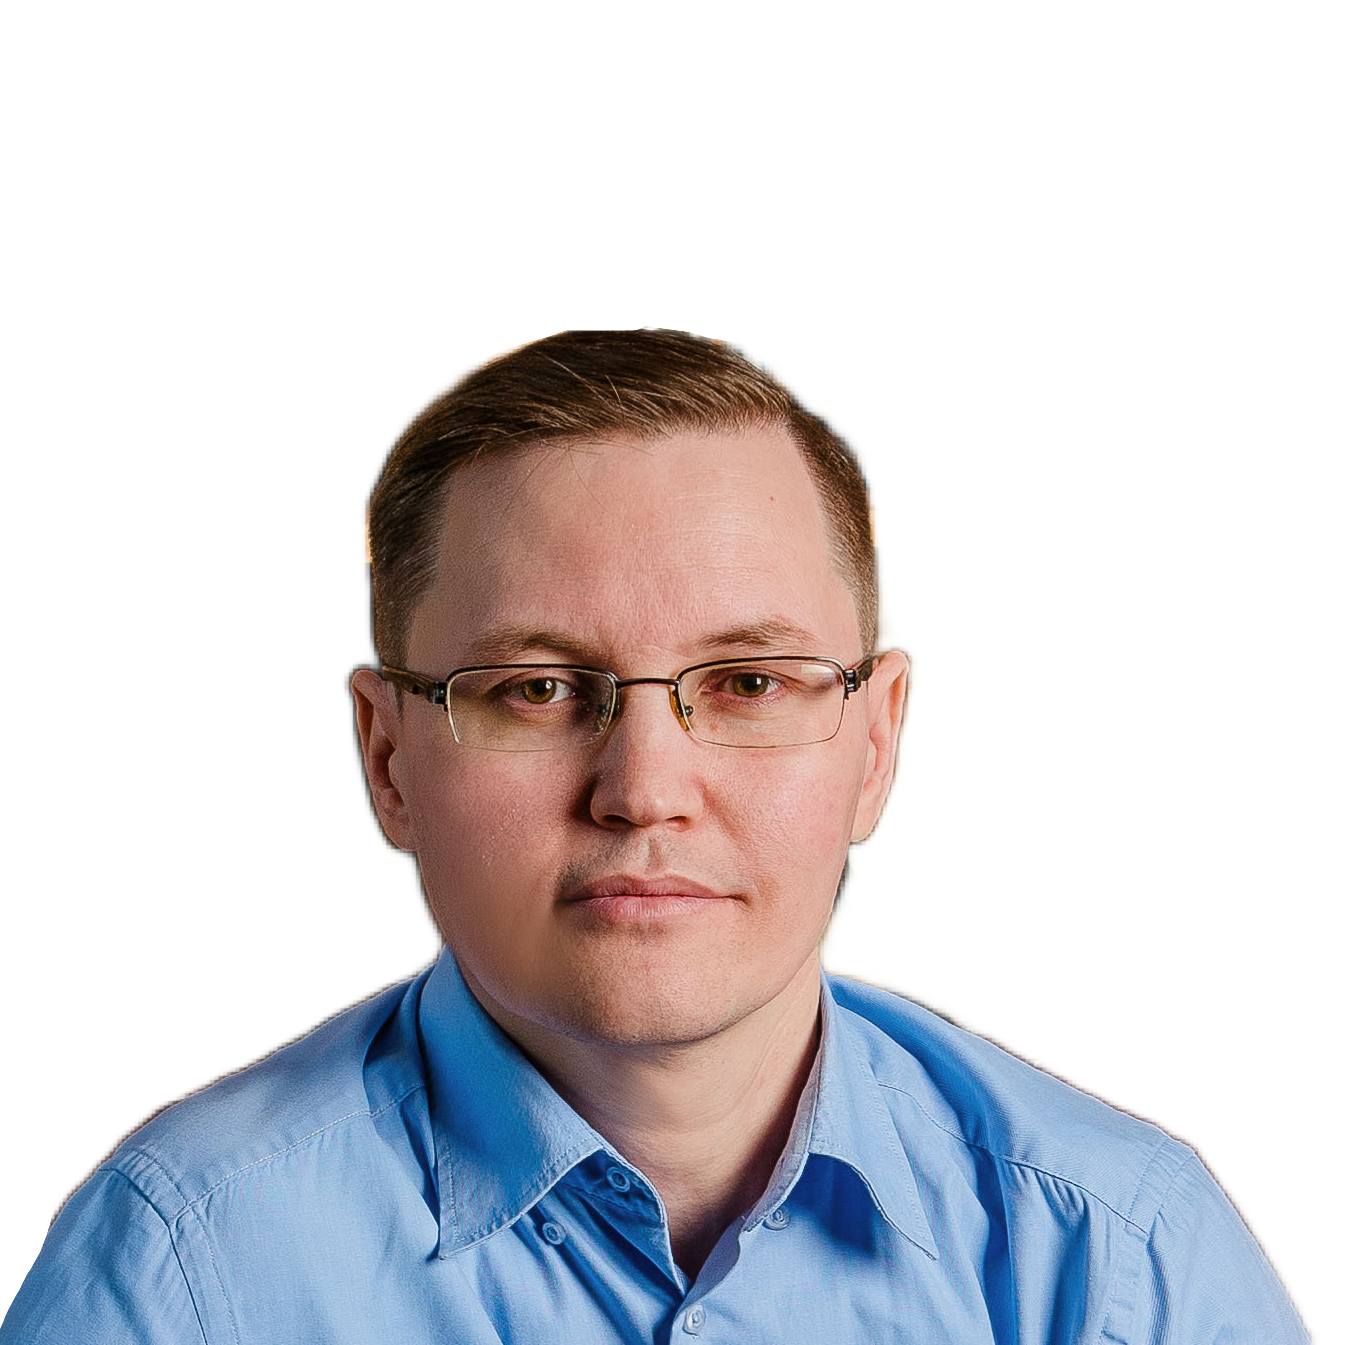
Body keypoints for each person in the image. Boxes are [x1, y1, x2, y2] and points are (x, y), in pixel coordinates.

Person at [4, 330, 1318, 1343]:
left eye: (748, 682)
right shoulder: (180, 1275)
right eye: (535, 689)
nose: (642, 790)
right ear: (387, 759)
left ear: (878, 743)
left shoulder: (1128, 1263)